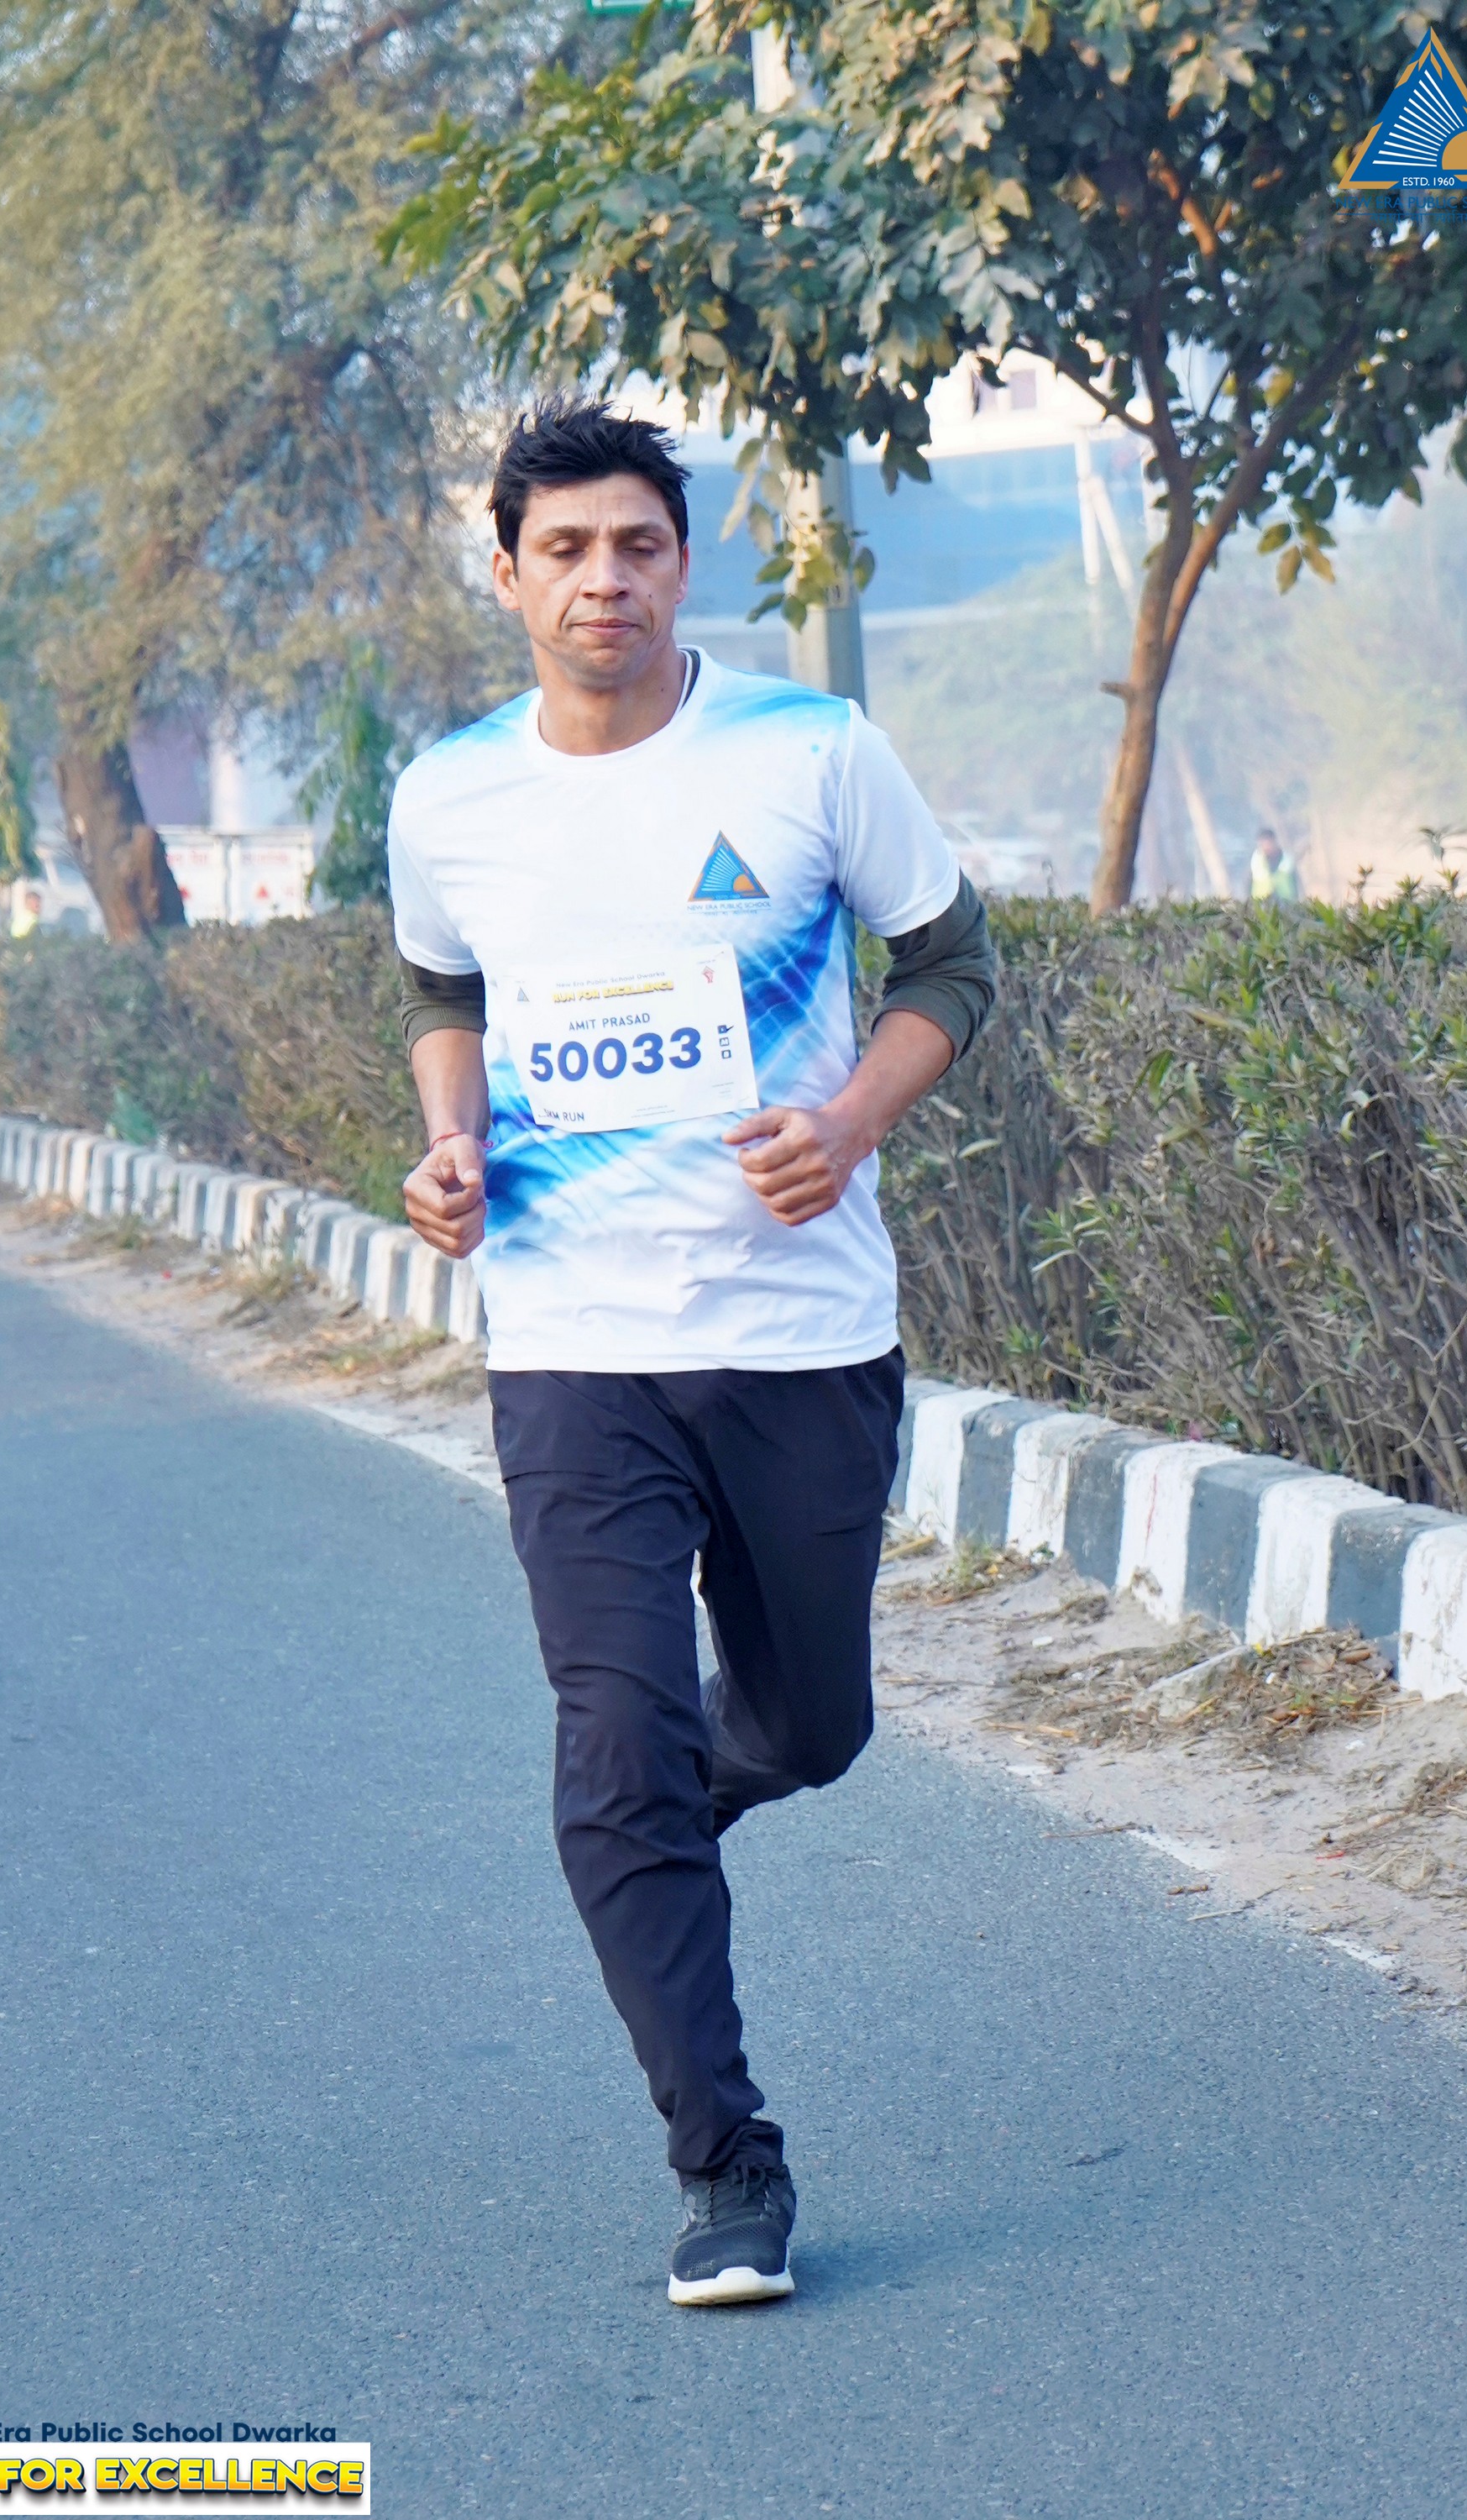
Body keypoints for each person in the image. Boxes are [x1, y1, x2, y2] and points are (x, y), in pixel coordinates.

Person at [389, 397, 994, 2307]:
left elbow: (953, 962)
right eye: (564, 550)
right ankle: (725, 2162)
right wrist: (452, 1140)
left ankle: (670, 1796)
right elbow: (444, 987)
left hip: (800, 1338)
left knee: (809, 1729)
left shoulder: (810, 752)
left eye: (636, 545)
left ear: (682, 563)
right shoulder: (449, 797)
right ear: (508, 576)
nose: (604, 581)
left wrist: (852, 1123)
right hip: (571, 1346)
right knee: (613, 1744)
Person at [1248, 826, 1301, 903]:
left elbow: (1295, 884)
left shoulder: (1287, 861)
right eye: (1263, 844)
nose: (1266, 847)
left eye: (1268, 843)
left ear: (1274, 842)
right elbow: (1248, 886)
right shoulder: (1255, 863)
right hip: (1262, 904)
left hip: (1286, 904)